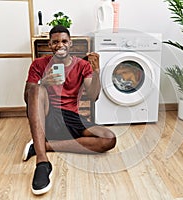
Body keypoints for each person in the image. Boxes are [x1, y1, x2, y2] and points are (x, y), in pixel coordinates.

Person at [23, 25, 116, 195]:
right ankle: (42, 162)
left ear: (70, 44)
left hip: (71, 117)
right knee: (36, 89)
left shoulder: (82, 65)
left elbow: (94, 96)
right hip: (47, 115)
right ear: (49, 45)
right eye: (55, 42)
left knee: (108, 139)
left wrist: (96, 71)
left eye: (64, 41)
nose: (60, 45)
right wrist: (43, 82)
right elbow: (27, 97)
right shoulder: (38, 64)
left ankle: (42, 146)